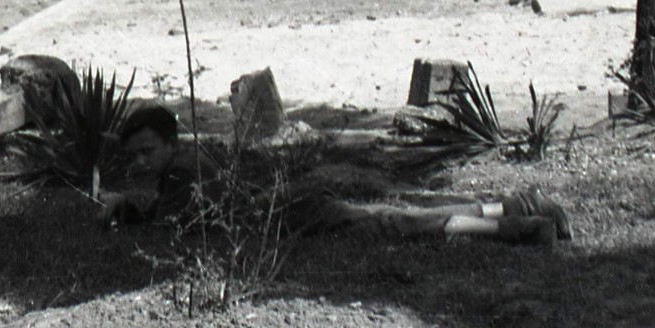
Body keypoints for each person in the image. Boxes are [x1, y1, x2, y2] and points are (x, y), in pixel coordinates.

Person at [98, 105, 572, 247]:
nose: (140, 162)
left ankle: (516, 228)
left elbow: (174, 229)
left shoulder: (183, 173)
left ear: (170, 144)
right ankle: (512, 206)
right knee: (396, 215)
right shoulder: (190, 161)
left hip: (295, 212)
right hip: (294, 202)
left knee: (395, 224)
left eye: (146, 152)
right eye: (134, 156)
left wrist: (130, 216)